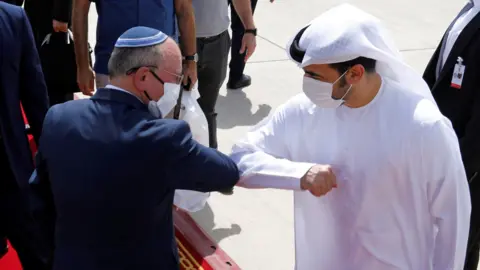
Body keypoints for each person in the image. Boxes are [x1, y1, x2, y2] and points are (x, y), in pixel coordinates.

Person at [230, 4, 471, 269]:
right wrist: (299, 174)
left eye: (315, 75)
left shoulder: (424, 127)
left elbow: (453, 219)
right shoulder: (303, 112)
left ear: (355, 73)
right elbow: (240, 160)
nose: (307, 82)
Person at [31, 26, 240, 270]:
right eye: (174, 80)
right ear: (143, 77)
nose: (177, 89)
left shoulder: (58, 117)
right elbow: (226, 173)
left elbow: (39, 203)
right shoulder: (164, 137)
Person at [423, 1, 480, 269]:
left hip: (466, 169)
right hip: (443, 156)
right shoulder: (471, 9)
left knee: (456, 250)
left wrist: (460, 174)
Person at [0, 2, 51, 269]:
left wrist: (52, 157)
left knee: (39, 256)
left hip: (12, 170)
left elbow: (35, 97)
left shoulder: (13, 18)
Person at [73, 0, 197, 96]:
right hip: (113, 68)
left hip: (162, 69)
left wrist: (191, 60)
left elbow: (184, 8)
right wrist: (82, 66)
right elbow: (80, 8)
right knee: (112, 126)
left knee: (161, 126)